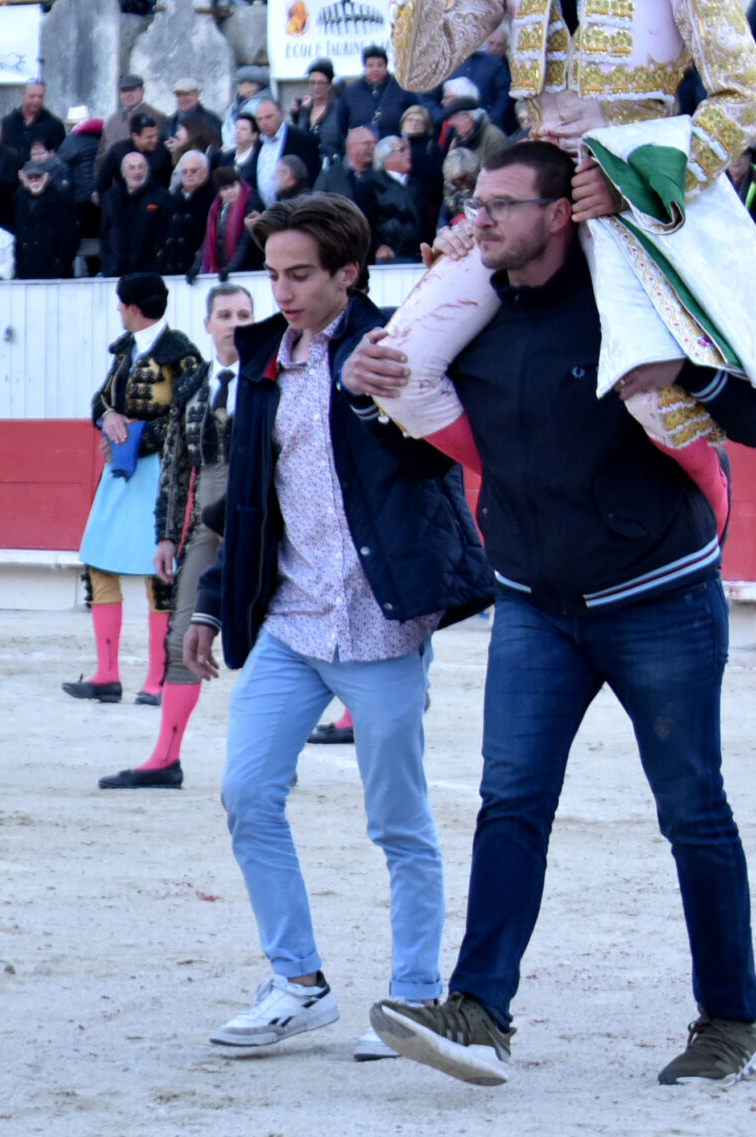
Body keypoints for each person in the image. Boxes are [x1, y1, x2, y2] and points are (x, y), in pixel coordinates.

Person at [344, 142, 756, 1086]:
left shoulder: (632, 302)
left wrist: (688, 372)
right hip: (536, 602)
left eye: (502, 204)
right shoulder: (472, 325)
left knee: (692, 812)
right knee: (511, 804)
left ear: (561, 214)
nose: (479, 219)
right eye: (476, 201)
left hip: (659, 596)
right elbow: (426, 455)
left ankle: (732, 1020)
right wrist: (368, 387)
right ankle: (478, 1010)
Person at [385, 0, 756, 520]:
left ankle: (709, 508)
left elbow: (744, 97)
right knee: (401, 365)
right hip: (531, 194)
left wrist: (640, 179)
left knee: (650, 395)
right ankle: (515, 479)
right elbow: (420, 66)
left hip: (640, 195)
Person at [181, 193, 493, 1055]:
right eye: (274, 272)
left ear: (347, 273)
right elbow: (248, 499)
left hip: (383, 626)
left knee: (398, 819)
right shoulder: (262, 363)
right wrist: (212, 600)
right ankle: (298, 980)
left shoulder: (399, 343)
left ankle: (412, 996)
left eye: (301, 273)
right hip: (289, 619)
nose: (282, 289)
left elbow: (437, 455)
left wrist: (366, 400)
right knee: (247, 793)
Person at [95, 281, 256, 792]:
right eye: (225, 315)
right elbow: (175, 468)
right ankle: (165, 757)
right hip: (208, 517)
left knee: (275, 636)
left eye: (244, 315)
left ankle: (277, 755)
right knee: (183, 629)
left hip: (263, 517)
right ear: (207, 326)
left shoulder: (273, 380)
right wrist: (167, 536)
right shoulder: (192, 388)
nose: (235, 324)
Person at [68, 272, 203, 707]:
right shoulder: (126, 350)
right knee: (99, 564)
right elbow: (101, 399)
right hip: (122, 473)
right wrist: (107, 417)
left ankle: (158, 680)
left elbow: (190, 415)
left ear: (131, 307)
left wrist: (133, 436)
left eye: (119, 304)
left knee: (159, 574)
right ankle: (107, 675)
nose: (117, 311)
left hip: (163, 471)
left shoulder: (180, 353)